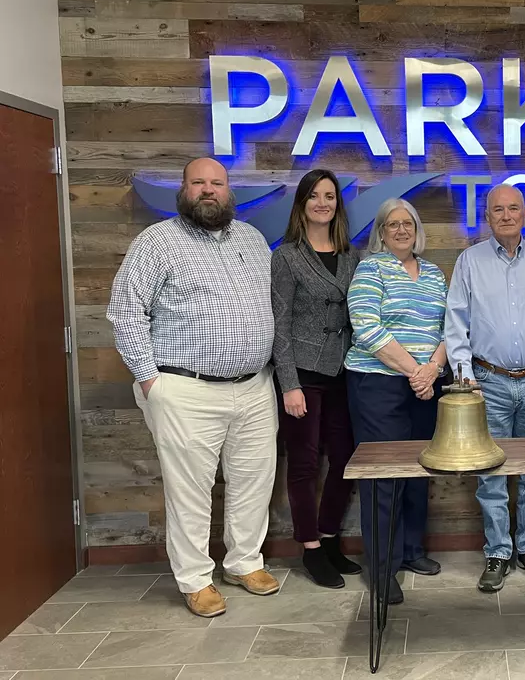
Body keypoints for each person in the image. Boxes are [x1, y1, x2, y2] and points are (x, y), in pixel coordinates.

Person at [107, 157, 279, 619]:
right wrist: (149, 380)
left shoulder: (252, 240)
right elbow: (125, 312)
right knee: (190, 490)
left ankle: (244, 563)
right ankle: (195, 579)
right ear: (182, 190)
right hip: (184, 388)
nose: (209, 190)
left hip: (255, 386)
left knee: (254, 480)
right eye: (198, 182)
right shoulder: (157, 242)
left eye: (217, 183)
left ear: (229, 191)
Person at [445, 184, 525, 592]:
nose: (505, 215)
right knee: (491, 474)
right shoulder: (469, 261)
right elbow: (456, 324)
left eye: (513, 208)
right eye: (497, 209)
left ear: (524, 214)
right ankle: (498, 552)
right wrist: (467, 381)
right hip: (488, 383)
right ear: (487, 216)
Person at [344, 198, 449, 605]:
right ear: (382, 232)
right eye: (392, 224)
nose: (402, 230)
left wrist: (433, 370)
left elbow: (451, 327)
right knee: (384, 478)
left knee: (420, 470)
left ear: (417, 228)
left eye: (408, 223)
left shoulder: (435, 273)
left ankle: (411, 551)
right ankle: (383, 568)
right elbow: (366, 327)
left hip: (426, 385)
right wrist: (415, 371)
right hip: (379, 386)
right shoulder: (371, 268)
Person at [271, 169, 362, 589]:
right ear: (302, 204)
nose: (322, 203)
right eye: (314, 196)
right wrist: (288, 383)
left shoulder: (351, 256)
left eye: (329, 196)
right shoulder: (286, 256)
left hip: (345, 371)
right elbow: (280, 325)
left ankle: (328, 538)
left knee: (345, 460)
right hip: (304, 374)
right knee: (305, 464)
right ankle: (309, 547)